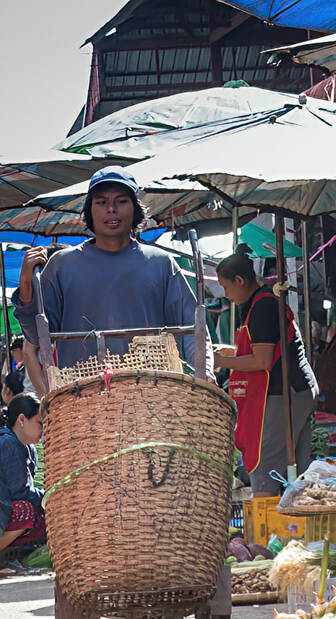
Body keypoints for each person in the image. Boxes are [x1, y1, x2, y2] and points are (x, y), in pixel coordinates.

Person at [13, 168, 211, 395]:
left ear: (135, 208)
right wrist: (26, 286)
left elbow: (193, 328)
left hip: (152, 399)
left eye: (121, 201)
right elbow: (38, 336)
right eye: (101, 201)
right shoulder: (62, 265)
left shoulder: (161, 263)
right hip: (83, 400)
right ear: (89, 209)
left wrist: (204, 374)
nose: (111, 209)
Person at [213, 246, 319, 497]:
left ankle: (268, 528)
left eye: (226, 287)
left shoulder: (263, 306)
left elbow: (262, 360)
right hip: (298, 391)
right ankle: (295, 526)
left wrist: (218, 360)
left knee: (265, 461)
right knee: (297, 468)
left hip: (285, 393)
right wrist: (227, 354)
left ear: (240, 281)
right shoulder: (257, 304)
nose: (226, 295)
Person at [0, 394, 45, 560]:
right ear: (21, 419)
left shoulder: (28, 448)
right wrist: (49, 496)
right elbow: (20, 492)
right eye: (39, 423)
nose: (43, 430)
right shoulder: (8, 444)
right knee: (25, 511)